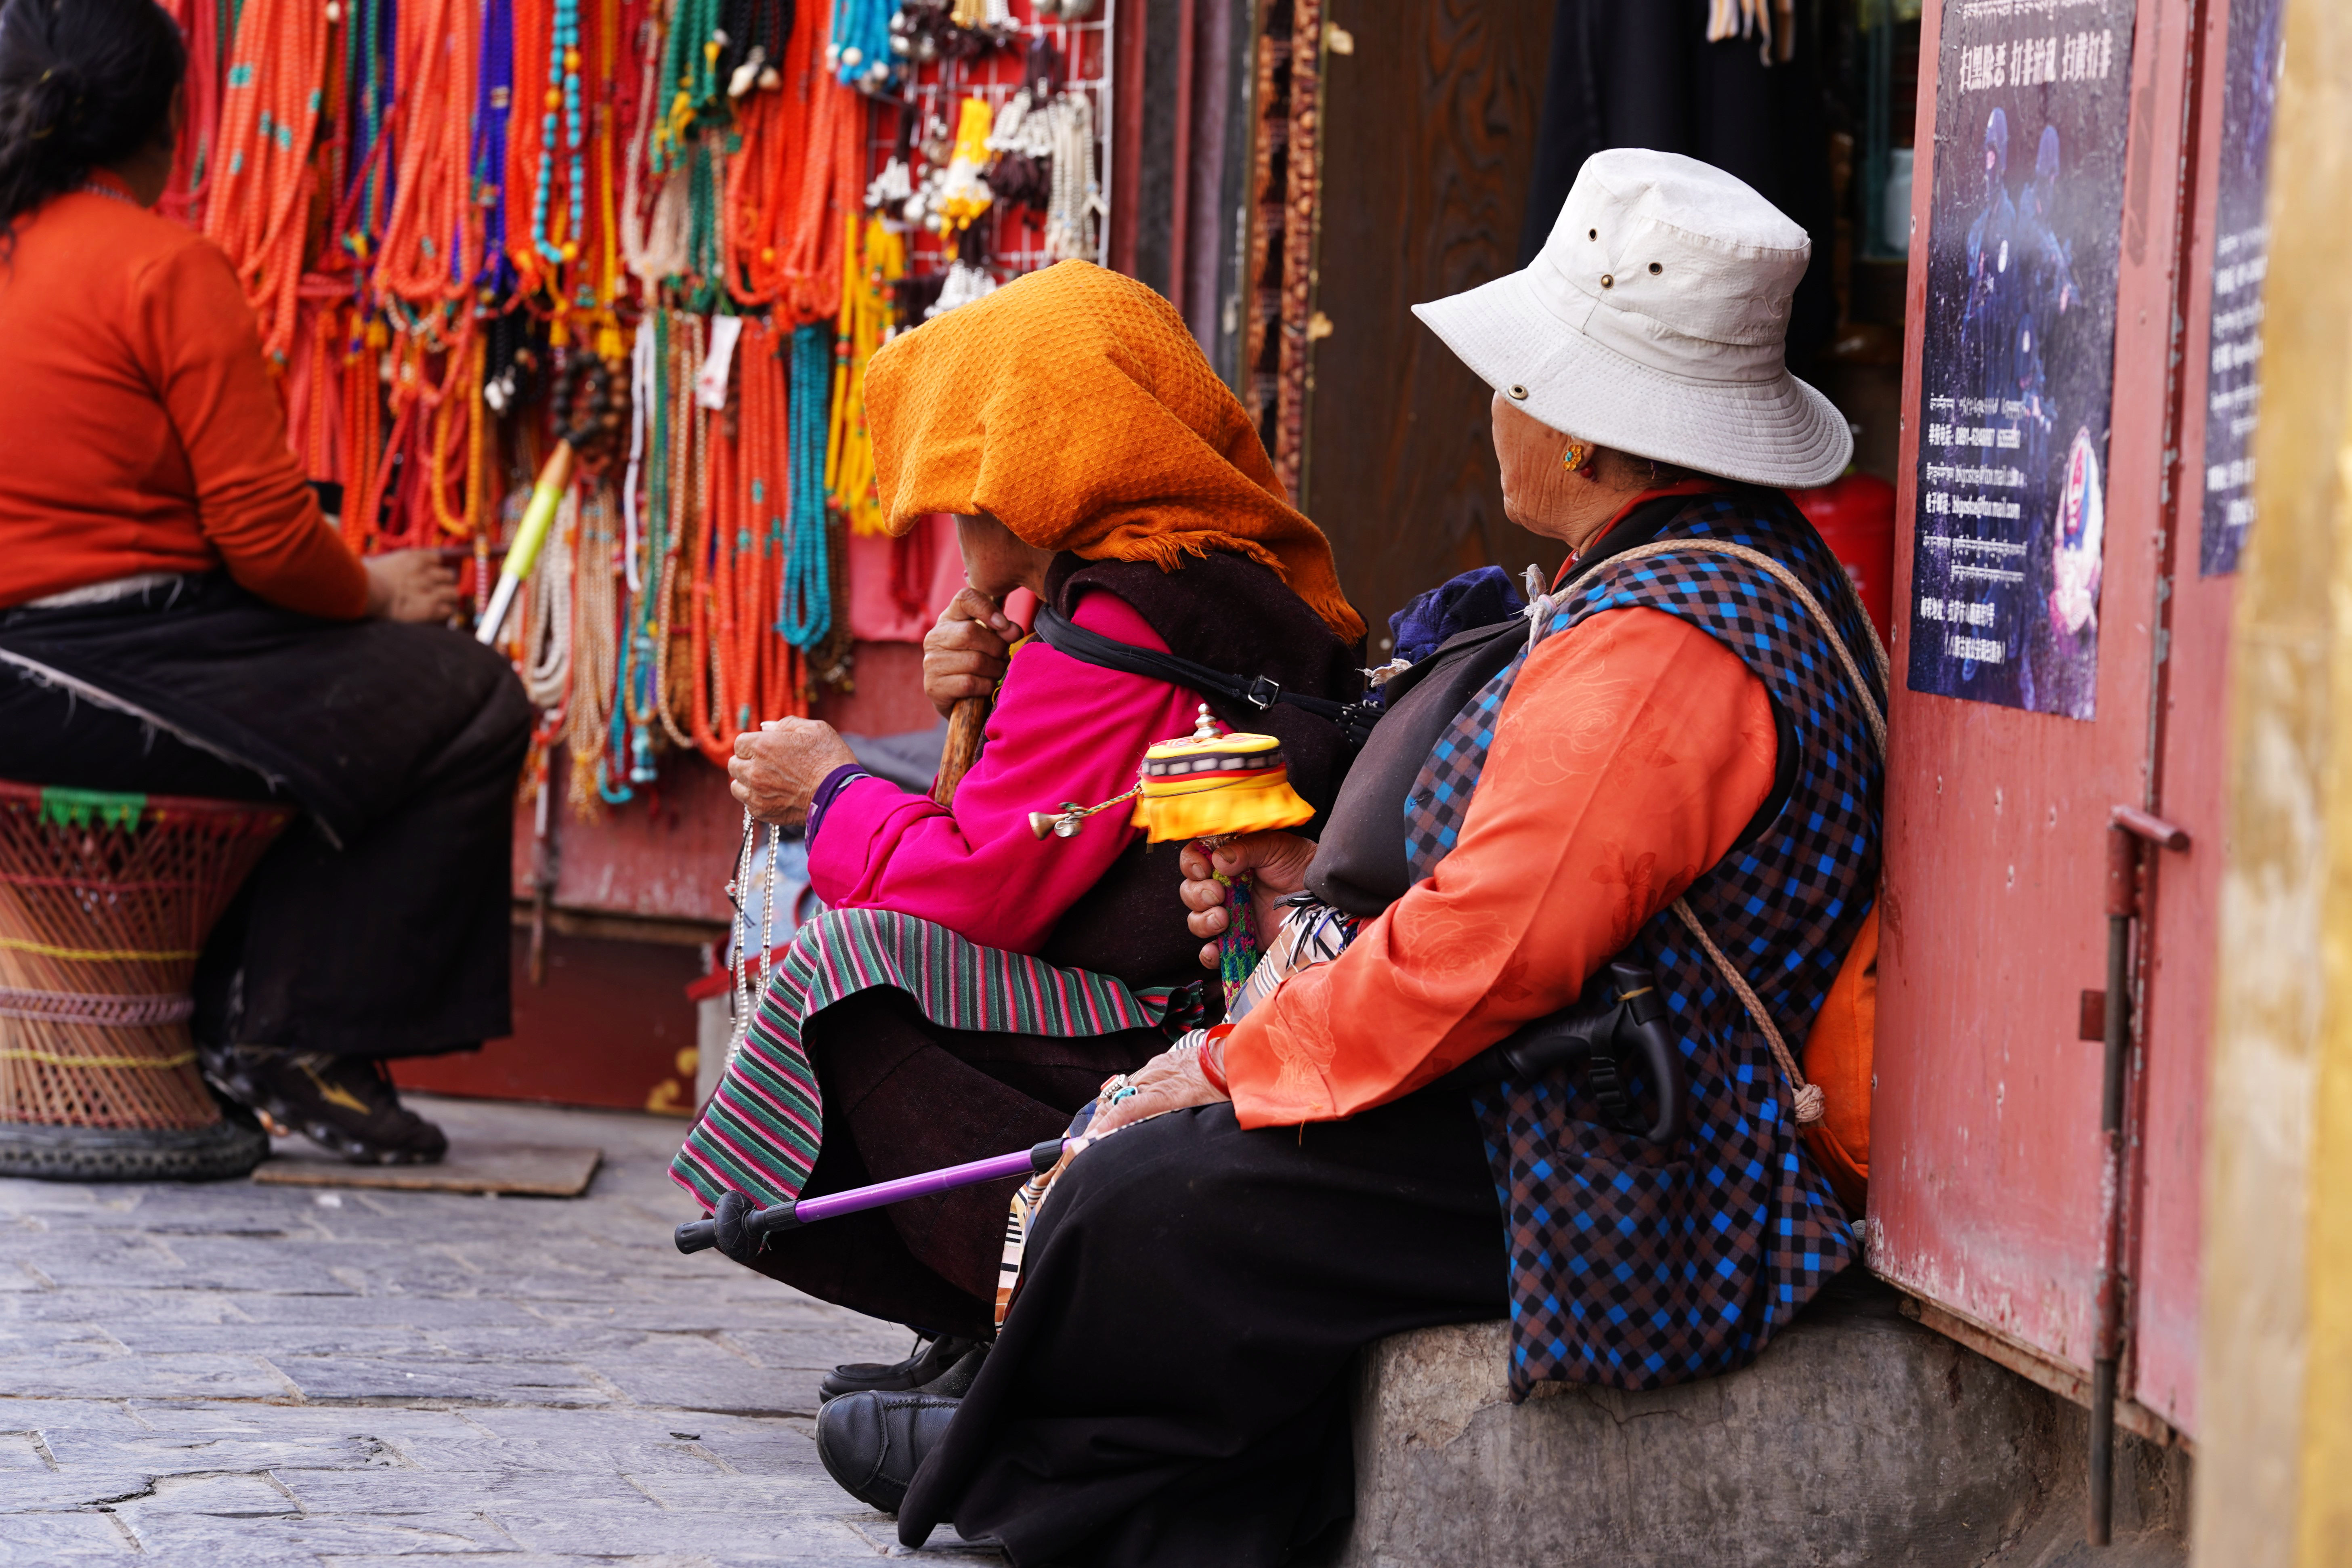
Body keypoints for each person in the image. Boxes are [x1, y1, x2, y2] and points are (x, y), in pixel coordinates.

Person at [820, 149, 1887, 1564]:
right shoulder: (1697, 572)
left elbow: (1497, 944)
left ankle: (1056, 1475)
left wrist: (1227, 1063)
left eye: (1515, 385)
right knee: (1184, 1159)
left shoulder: (1658, 640)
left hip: (1643, 1148)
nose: (1493, 412)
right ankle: (1090, 1443)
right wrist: (1291, 895)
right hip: (1597, 1078)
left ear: (1575, 432)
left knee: (1173, 1190)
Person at [673, 260, 1364, 1388]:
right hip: (1189, 995)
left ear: (1028, 484)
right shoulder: (1208, 566)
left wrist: (827, 788)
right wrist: (994, 685)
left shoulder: (1125, 612)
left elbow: (972, 888)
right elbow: (1056, 818)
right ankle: (981, 1322)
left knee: (852, 970)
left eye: (965, 503)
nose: (959, 535)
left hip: (1162, 1025)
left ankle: (1026, 1325)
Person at [0, 0, 530, 1164]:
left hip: (64, 660)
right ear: (172, 123)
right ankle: (299, 1036)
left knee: (343, 701)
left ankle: (239, 1018)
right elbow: (265, 537)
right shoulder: (160, 263)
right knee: (470, 692)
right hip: (97, 666)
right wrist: (381, 591)